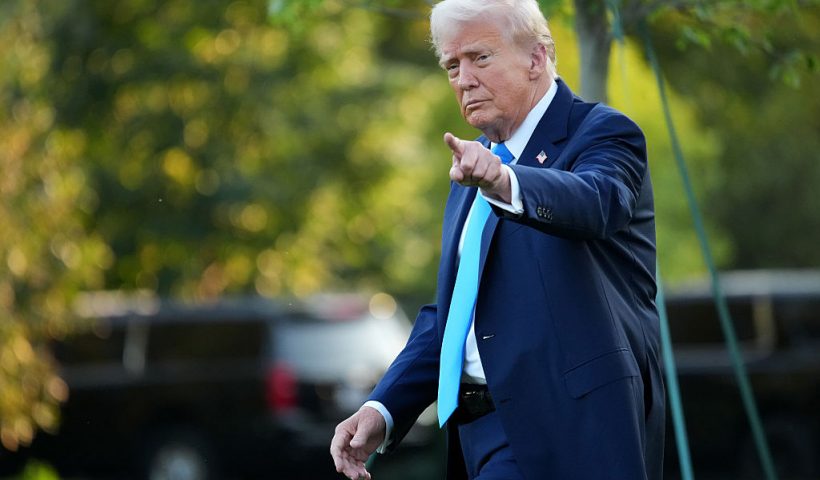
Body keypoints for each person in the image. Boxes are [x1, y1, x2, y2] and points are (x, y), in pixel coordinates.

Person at [330, 0, 664, 478]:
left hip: (575, 430)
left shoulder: (603, 133)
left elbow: (594, 202)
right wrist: (383, 408)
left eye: (479, 58)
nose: (463, 78)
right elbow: (457, 314)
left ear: (537, 57)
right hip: (481, 434)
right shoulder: (473, 166)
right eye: (452, 65)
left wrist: (506, 182)